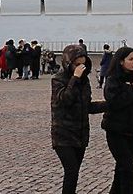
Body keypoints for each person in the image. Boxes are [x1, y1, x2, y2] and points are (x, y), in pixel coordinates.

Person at [51, 44, 107, 194]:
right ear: (68, 63)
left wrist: (109, 105)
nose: (81, 68)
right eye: (77, 64)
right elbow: (65, 100)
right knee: (71, 170)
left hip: (80, 134)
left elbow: (86, 106)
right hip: (63, 134)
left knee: (74, 173)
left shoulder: (84, 81)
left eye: (83, 64)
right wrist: (74, 78)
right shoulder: (58, 80)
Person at [101, 46, 133, 194]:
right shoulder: (112, 79)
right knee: (128, 169)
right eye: (130, 59)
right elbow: (114, 102)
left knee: (122, 169)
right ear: (120, 61)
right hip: (116, 131)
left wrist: (131, 92)